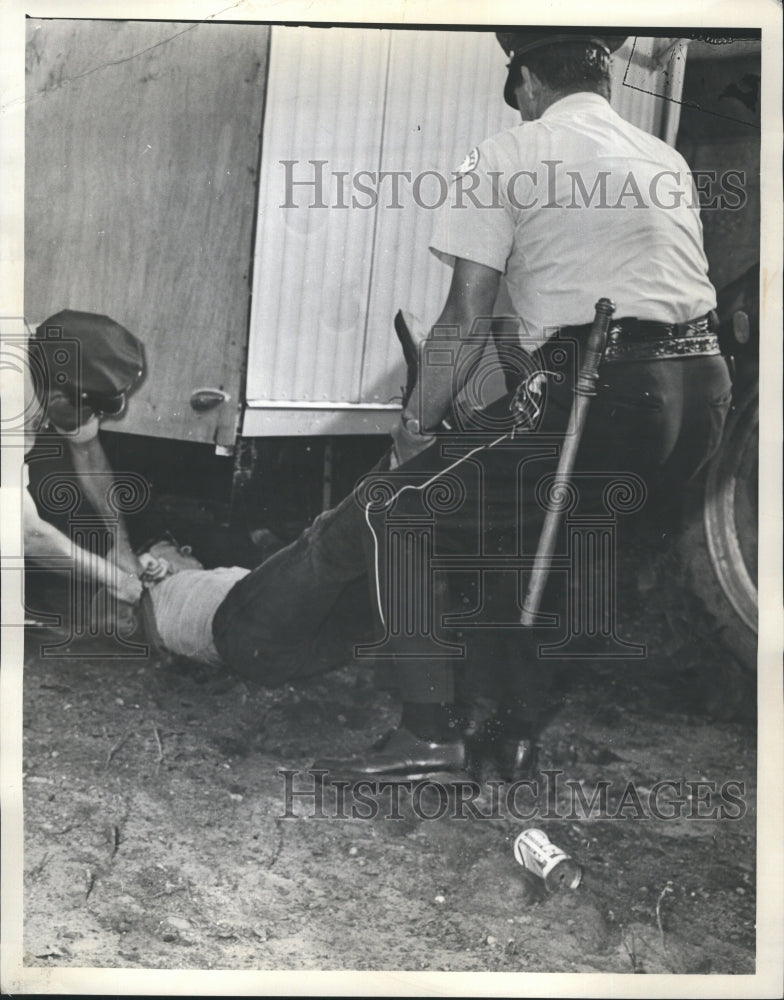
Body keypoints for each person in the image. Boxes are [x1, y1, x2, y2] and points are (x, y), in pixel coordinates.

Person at [152, 31, 734, 781]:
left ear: (522, 81)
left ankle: (430, 736)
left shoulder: (505, 154)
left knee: (396, 515)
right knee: (551, 537)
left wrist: (415, 429)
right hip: (704, 393)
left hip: (605, 387)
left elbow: (463, 318)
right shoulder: (664, 159)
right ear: (608, 77)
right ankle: (512, 729)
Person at [24, 310, 147, 609]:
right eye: (90, 414)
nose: (90, 423)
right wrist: (115, 579)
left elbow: (89, 455)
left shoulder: (66, 357)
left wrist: (121, 545)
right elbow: (24, 532)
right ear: (56, 398)